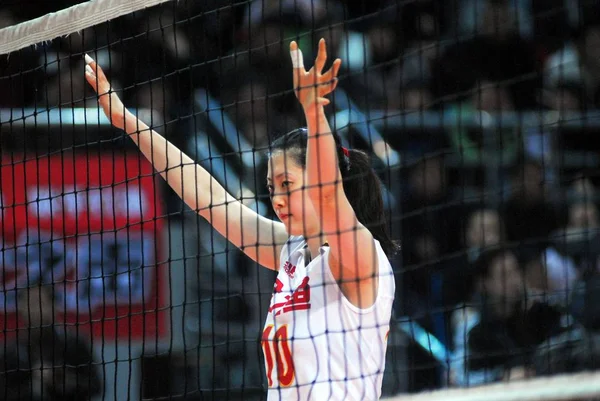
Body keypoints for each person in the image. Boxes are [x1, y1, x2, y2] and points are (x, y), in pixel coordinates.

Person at [84, 38, 397, 400]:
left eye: (287, 184)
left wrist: (314, 111)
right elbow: (211, 199)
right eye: (271, 187)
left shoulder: (359, 256)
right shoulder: (291, 252)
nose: (277, 199)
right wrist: (128, 121)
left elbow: (329, 195)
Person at [0, 284, 101, 401]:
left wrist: (61, 380)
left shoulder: (74, 343)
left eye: (39, 303)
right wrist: (32, 379)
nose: (34, 310)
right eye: (28, 304)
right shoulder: (12, 351)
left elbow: (95, 387)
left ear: (53, 306)